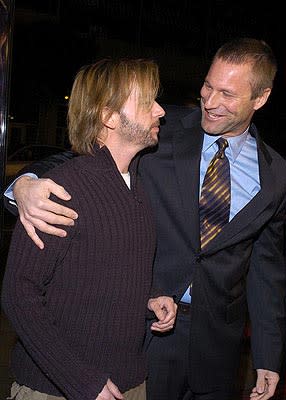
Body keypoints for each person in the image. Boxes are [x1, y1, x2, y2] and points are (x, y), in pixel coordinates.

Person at [3, 38, 286, 400]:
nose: (211, 102)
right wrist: (25, 184)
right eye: (208, 86)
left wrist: (268, 355)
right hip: (146, 340)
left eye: (227, 94)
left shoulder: (275, 175)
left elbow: (267, 270)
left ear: (259, 98)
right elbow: (87, 157)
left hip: (219, 345)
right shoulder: (163, 130)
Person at [1, 58, 178, 400]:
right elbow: (19, 295)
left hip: (129, 381)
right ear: (109, 116)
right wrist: (79, 380)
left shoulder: (135, 186)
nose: (160, 111)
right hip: (57, 390)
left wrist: (149, 299)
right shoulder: (61, 190)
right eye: (146, 103)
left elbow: (100, 277)